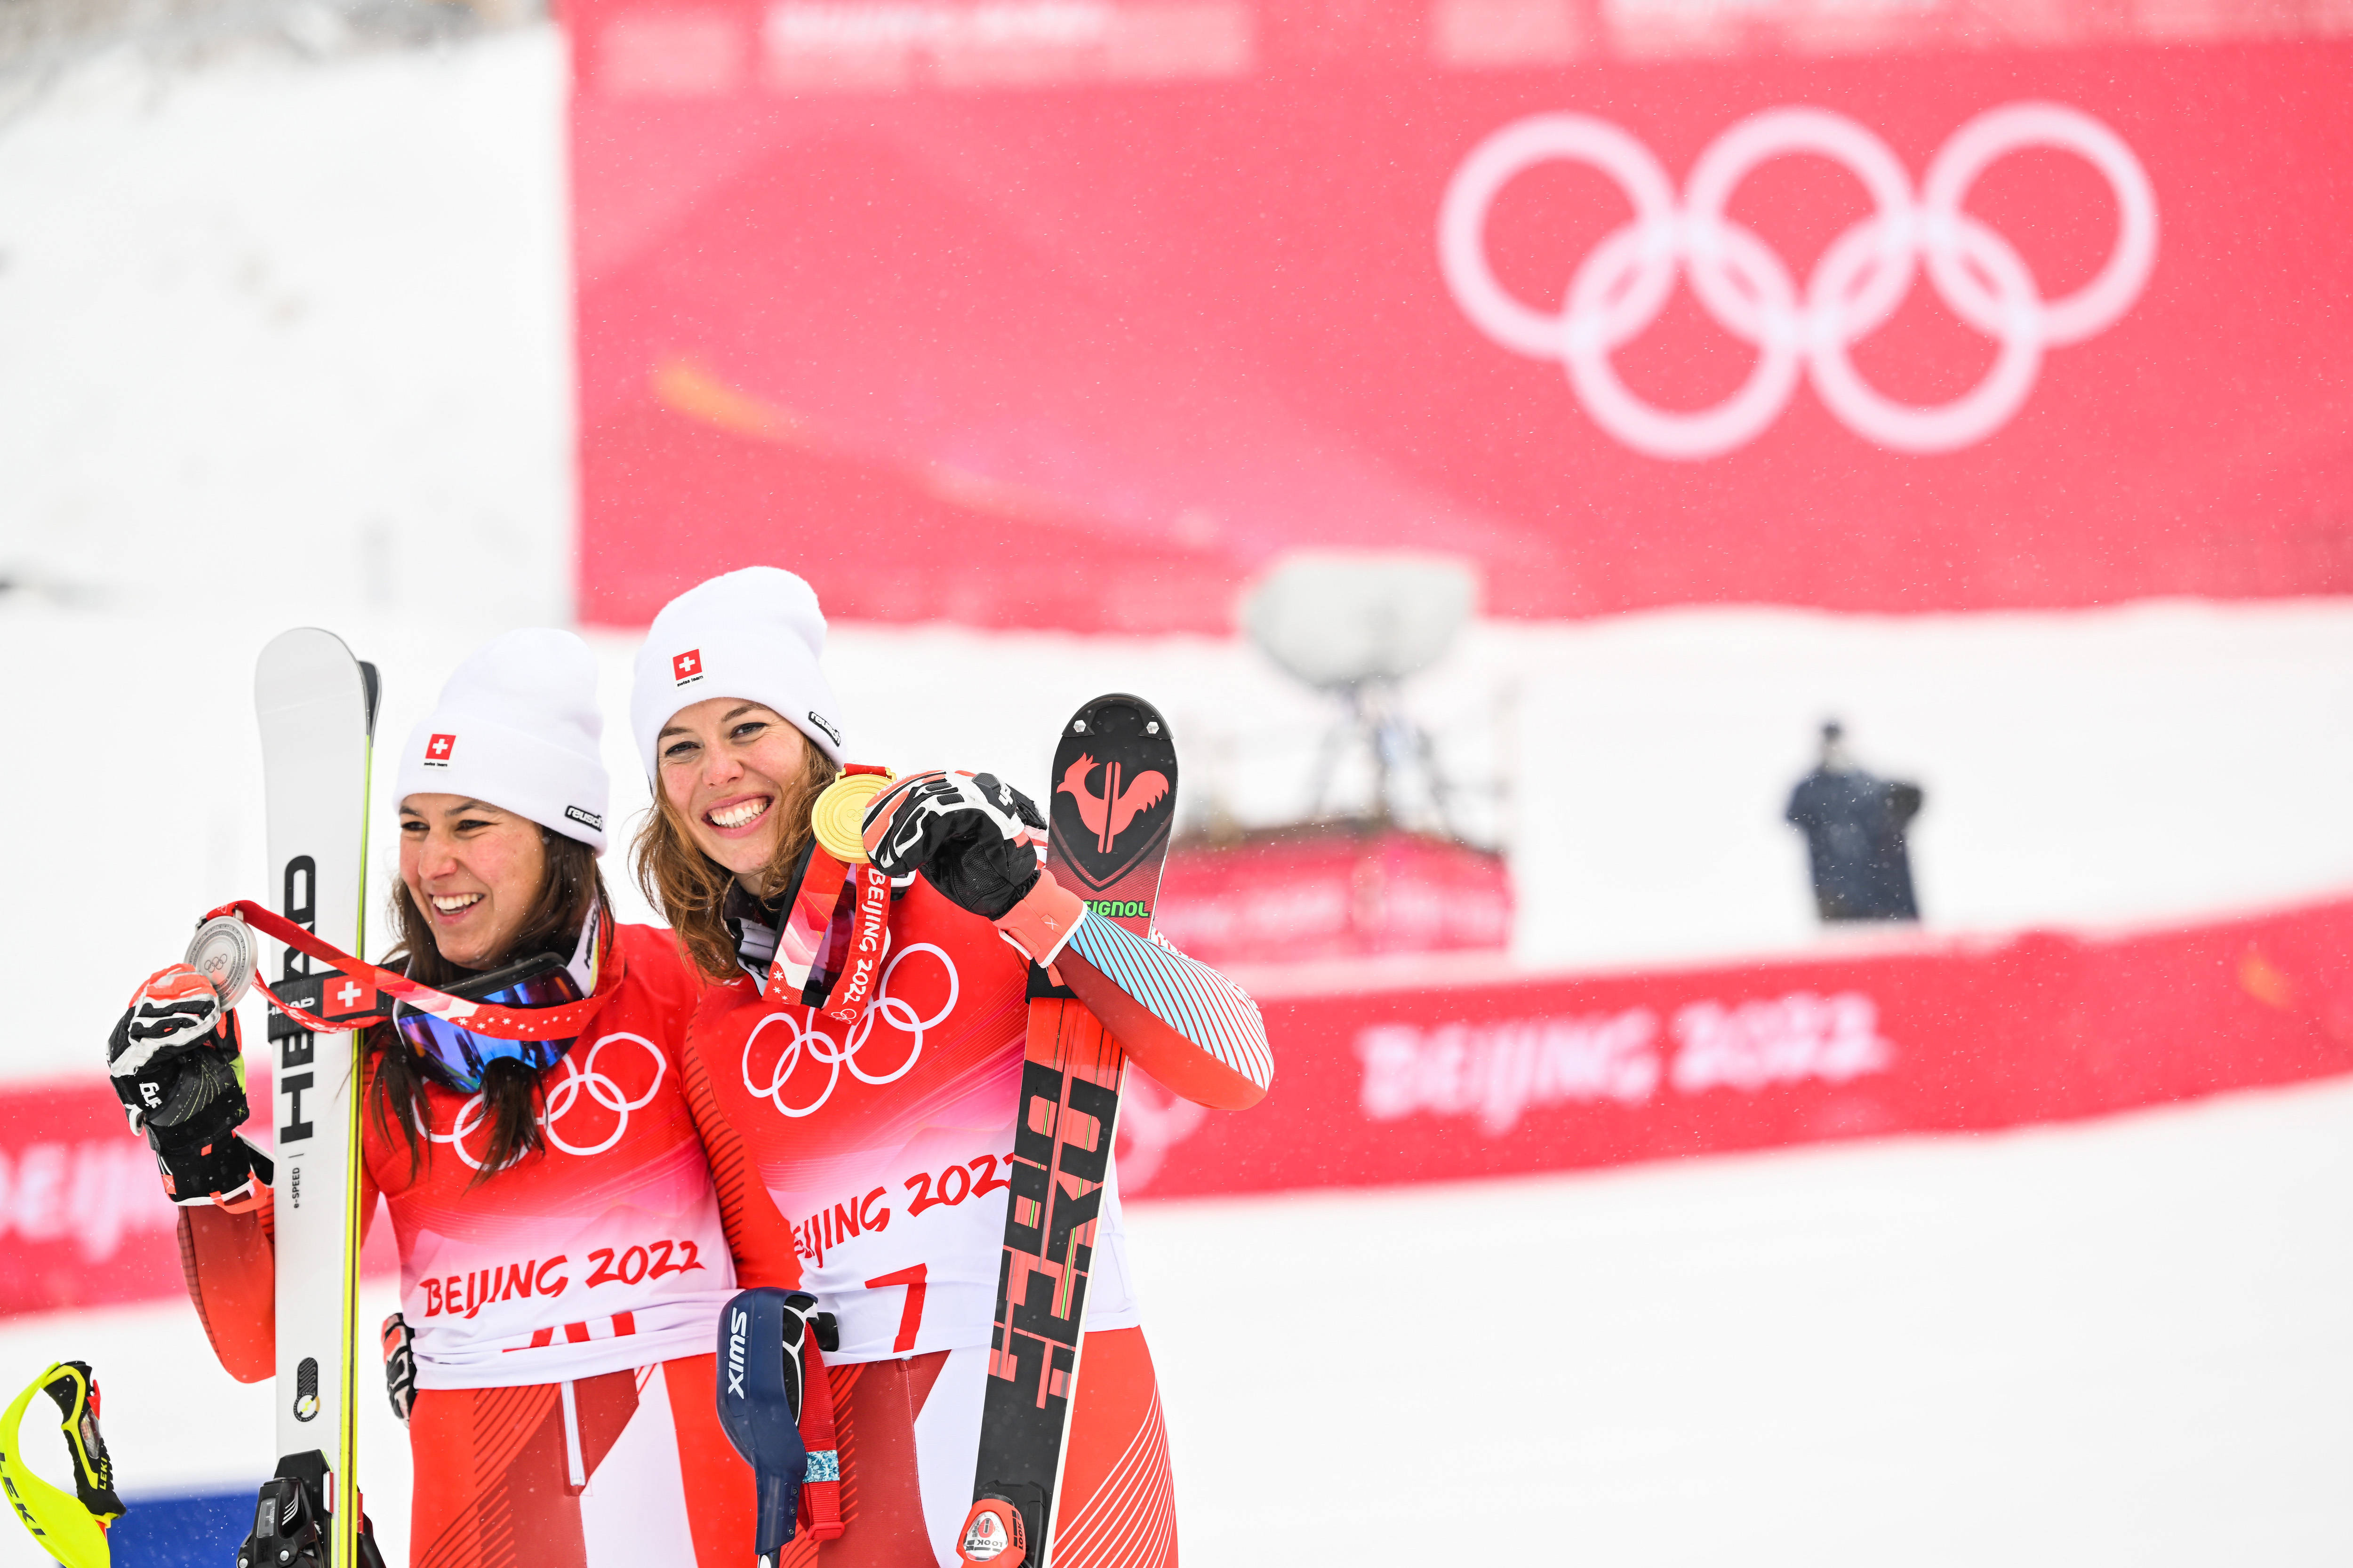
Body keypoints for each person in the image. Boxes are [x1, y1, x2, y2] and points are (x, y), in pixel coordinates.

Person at [105, 629, 814, 1568]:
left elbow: (800, 1255)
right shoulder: (372, 1048)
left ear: (562, 842)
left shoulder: (678, 987)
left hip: (708, 1524)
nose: (434, 863)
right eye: (415, 826)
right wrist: (201, 1157)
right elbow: (262, 1338)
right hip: (483, 1522)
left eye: (473, 824)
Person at [630, 568, 1273, 1568]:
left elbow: (1237, 1060)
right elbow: (770, 1275)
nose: (718, 769)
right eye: (681, 746)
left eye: (747, 727)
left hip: (1055, 1395)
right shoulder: (722, 1022)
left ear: (814, 745)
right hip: (858, 1458)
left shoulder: (967, 873)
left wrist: (1030, 898)